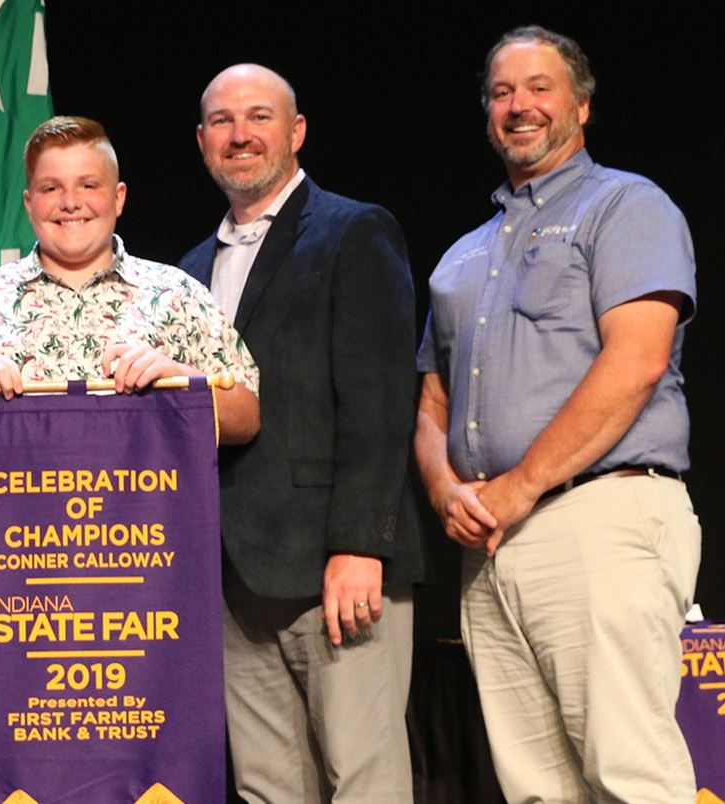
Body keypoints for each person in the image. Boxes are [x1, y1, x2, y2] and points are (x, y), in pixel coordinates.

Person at [414, 25, 702, 802]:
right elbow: (432, 401)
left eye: (540, 87)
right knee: (537, 789)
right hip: (491, 544)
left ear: (581, 104)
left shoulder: (627, 206)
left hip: (597, 516)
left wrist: (520, 485)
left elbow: (636, 362)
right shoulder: (463, 255)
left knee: (630, 775)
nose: (520, 106)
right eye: (502, 92)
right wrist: (447, 490)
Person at [175, 65, 423, 803]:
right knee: (267, 789)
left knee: (363, 781)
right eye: (222, 121)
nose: (241, 134)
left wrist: (360, 544)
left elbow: (380, 403)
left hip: (334, 569)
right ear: (201, 141)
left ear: (296, 132)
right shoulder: (187, 272)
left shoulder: (353, 231)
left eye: (259, 117)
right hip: (232, 581)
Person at [0, 115, 258, 446]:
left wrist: (183, 382)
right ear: (29, 203)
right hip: (17, 514)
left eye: (88, 185)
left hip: (146, 514)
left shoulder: (177, 295)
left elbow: (246, 418)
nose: (70, 202)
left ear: (118, 198)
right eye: (51, 188)